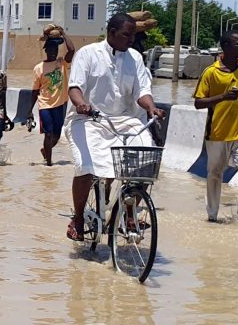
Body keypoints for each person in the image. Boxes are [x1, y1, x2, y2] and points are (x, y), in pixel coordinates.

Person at [64, 13, 164, 241]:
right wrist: (81, 104)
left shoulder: (136, 58)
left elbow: (142, 92)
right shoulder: (87, 54)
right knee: (85, 166)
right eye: (126, 35)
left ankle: (129, 213)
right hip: (88, 119)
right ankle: (78, 218)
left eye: (132, 36)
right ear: (111, 33)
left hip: (124, 120)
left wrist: (152, 108)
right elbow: (74, 88)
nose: (130, 40)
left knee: (145, 164)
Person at [193, 31, 238, 223]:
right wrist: (222, 97)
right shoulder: (210, 72)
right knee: (215, 174)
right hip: (217, 132)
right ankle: (212, 214)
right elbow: (198, 103)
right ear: (225, 46)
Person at [30, 28, 76, 166]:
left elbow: (72, 50)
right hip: (45, 104)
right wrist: (28, 112)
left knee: (56, 135)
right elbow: (34, 91)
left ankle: (45, 150)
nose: (53, 52)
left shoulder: (61, 63)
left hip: (61, 104)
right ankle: (49, 163)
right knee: (48, 133)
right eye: (50, 49)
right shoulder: (39, 68)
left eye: (55, 49)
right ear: (46, 50)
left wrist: (63, 33)